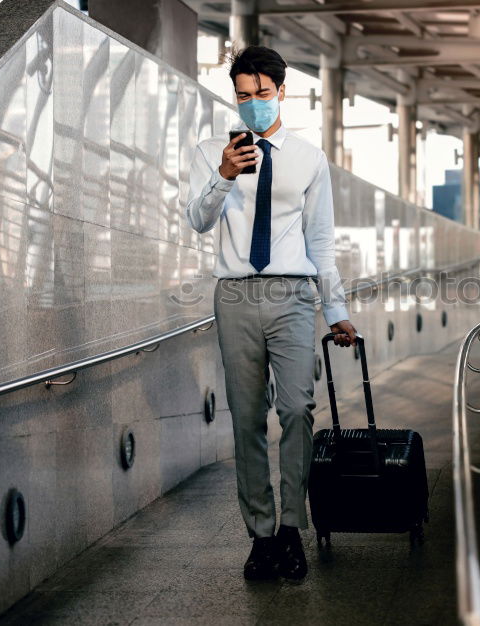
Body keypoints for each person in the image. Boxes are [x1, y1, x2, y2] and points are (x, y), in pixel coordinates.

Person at [185, 45, 357, 582]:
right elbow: (197, 219)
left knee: (298, 410)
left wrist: (336, 309)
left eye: (262, 94)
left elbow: (321, 239)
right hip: (235, 296)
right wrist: (223, 176)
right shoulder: (213, 149)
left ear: (282, 90)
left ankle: (292, 529)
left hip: (293, 294)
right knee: (247, 419)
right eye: (242, 96)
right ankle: (261, 535)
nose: (252, 104)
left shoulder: (308, 157)